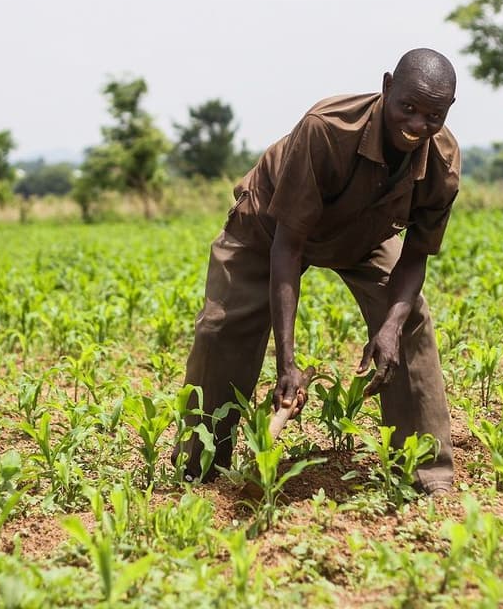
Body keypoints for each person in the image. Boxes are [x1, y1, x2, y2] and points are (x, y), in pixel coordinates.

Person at [176, 47, 459, 494]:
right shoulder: (327, 128)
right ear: (387, 87)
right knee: (222, 328)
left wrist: (389, 327)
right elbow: (287, 246)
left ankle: (427, 472)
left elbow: (414, 257)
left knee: (409, 323)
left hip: (364, 233)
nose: (417, 125)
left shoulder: (441, 163)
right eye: (408, 107)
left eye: (433, 115)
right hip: (272, 225)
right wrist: (286, 363)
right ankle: (201, 463)